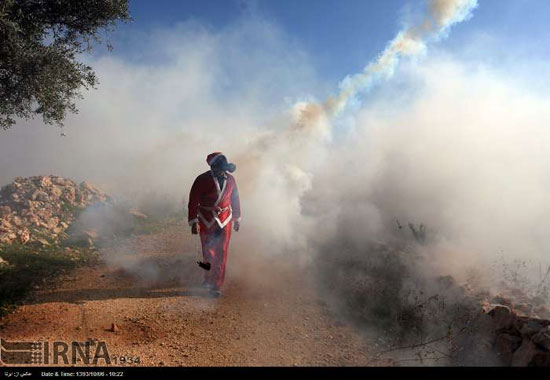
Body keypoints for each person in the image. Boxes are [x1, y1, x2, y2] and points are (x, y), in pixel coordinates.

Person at [188, 152, 241, 297]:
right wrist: (194, 221)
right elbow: (193, 201)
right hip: (206, 218)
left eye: (221, 167)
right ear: (212, 166)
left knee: (222, 252)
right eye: (217, 167)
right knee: (208, 252)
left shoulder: (231, 179)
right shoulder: (201, 179)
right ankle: (208, 279)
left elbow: (235, 198)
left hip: (225, 219)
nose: (219, 170)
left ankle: (216, 285)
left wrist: (236, 217)